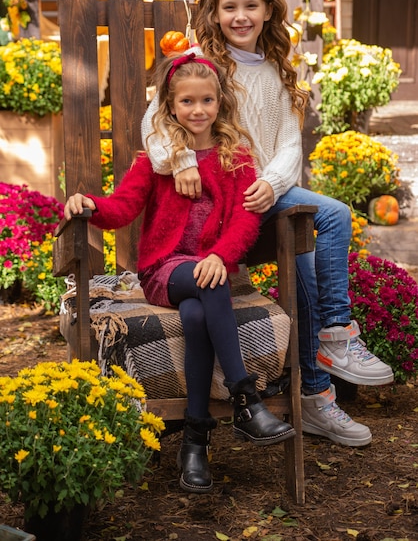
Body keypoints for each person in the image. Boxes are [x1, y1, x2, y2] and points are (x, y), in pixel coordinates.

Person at [142, 0, 394, 448]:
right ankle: (324, 375)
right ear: (213, 14)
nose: (240, 15)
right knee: (303, 258)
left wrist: (275, 182)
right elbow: (153, 122)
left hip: (266, 196)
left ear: (268, 11)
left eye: (250, 6)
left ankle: (328, 358)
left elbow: (288, 144)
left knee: (327, 223)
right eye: (229, 6)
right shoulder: (197, 63)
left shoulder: (277, 68)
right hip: (217, 206)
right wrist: (178, 161)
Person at [64, 53, 297, 495]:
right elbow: (123, 207)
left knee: (196, 314)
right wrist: (90, 204)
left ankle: (195, 439)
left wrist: (219, 256)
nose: (197, 110)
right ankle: (246, 398)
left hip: (207, 275)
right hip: (163, 272)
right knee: (212, 281)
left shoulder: (236, 157)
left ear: (220, 102)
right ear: (170, 107)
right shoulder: (160, 160)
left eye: (206, 100)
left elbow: (248, 222)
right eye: (187, 101)